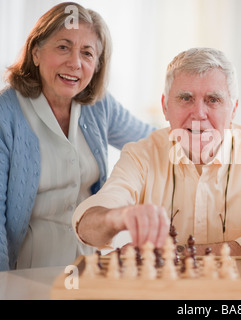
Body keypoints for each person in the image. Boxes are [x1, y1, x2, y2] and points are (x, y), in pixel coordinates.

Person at [73, 47, 241, 270]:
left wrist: (173, 254)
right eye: (185, 98)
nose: (198, 113)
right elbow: (87, 228)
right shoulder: (141, 154)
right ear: (165, 107)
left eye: (213, 99)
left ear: (233, 109)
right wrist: (117, 217)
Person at [0, 2, 155, 271]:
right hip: (28, 272)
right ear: (36, 52)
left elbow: (152, 144)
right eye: (63, 47)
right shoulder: (7, 112)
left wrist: (204, 134)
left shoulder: (99, 106)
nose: (75, 63)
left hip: (92, 268)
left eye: (87, 53)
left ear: (97, 65)